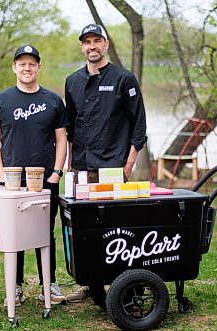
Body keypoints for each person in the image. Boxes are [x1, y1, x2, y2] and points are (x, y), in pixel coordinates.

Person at [64, 24, 147, 302]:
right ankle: (92, 285)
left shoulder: (124, 79)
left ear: (106, 44)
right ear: (81, 47)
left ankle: (126, 286)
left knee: (118, 228)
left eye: (96, 40)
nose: (92, 46)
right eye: (87, 42)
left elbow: (139, 124)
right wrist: (69, 165)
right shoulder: (72, 81)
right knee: (87, 229)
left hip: (113, 166)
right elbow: (71, 128)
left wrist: (129, 163)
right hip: (81, 168)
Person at [0, 45, 69, 306]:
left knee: (45, 233)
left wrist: (56, 173)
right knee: (15, 234)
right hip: (11, 181)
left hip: (45, 180)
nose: (27, 68)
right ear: (14, 67)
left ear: (38, 67)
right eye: (22, 63)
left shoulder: (53, 100)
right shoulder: (1, 100)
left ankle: (49, 285)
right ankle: (17, 286)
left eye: (32, 63)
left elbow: (62, 140)